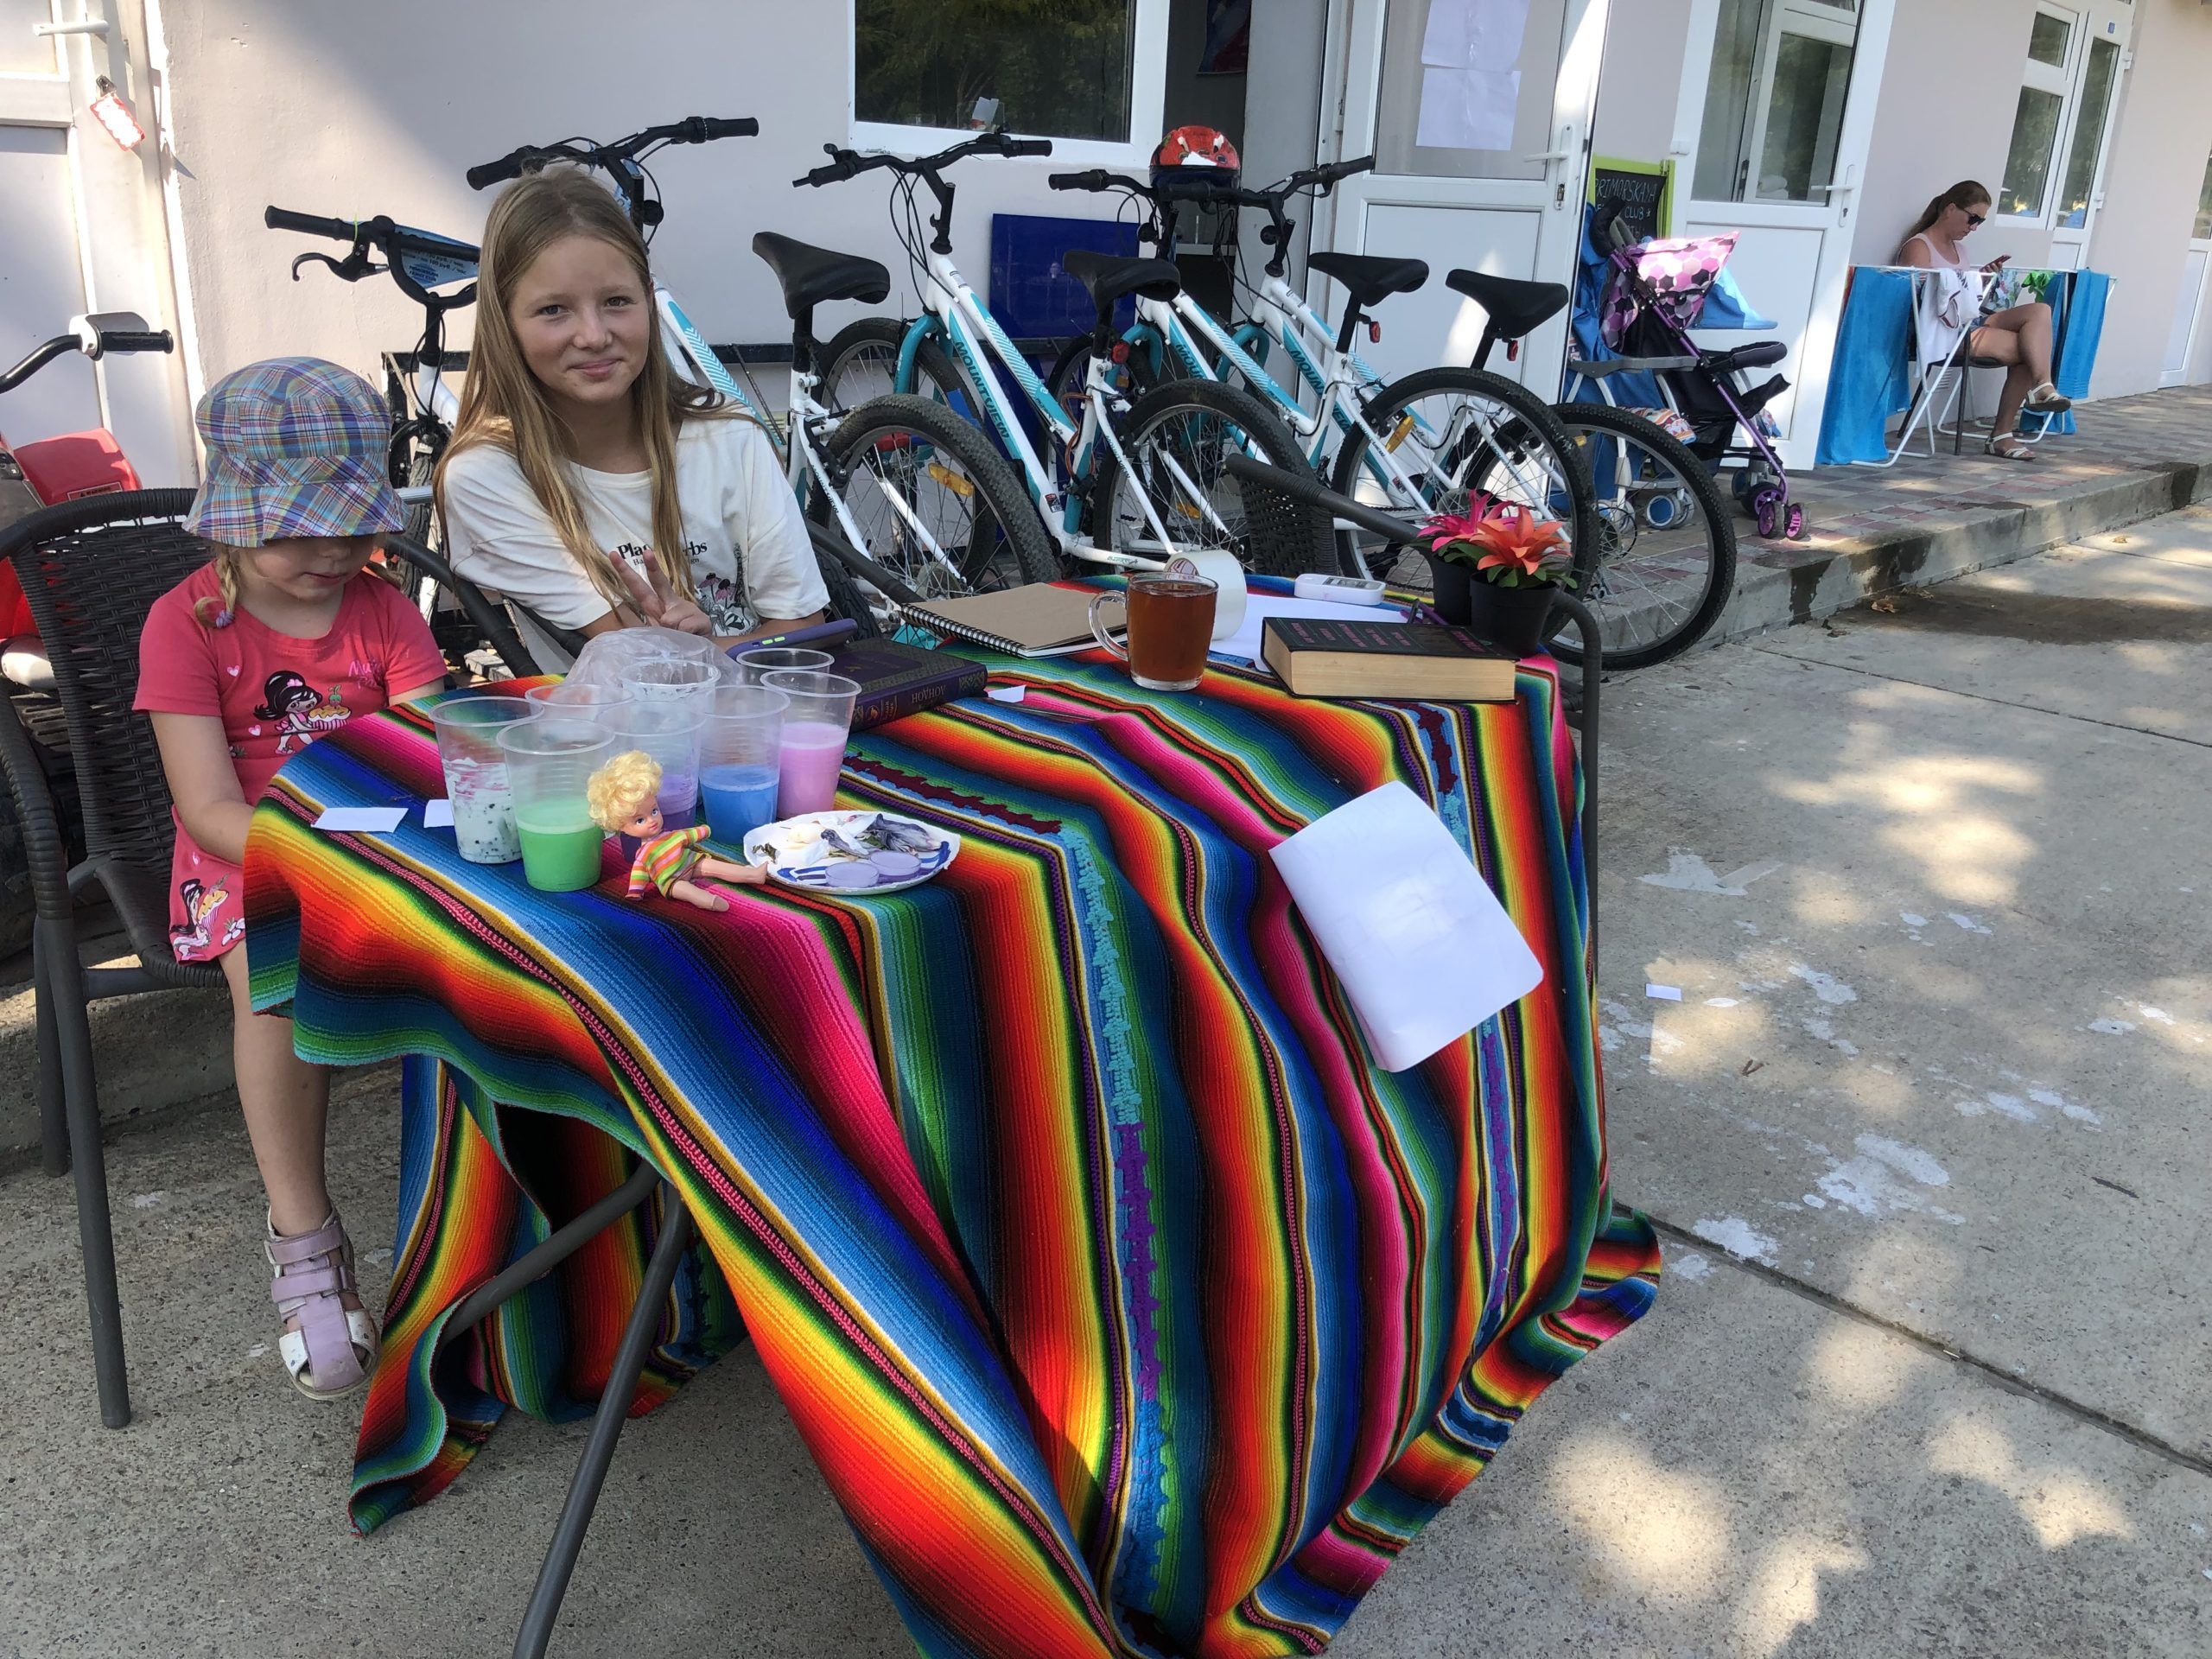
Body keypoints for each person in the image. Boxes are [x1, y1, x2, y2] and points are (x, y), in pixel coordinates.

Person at [136, 358, 449, 1398]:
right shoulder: (187, 622)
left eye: (350, 527)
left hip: (384, 840)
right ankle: (303, 1232)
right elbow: (205, 807)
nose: (329, 552)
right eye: (296, 529)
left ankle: (484, 1217)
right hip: (244, 859)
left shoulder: (383, 610)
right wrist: (322, 853)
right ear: (232, 521)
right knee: (272, 989)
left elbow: (431, 748)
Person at [435, 168, 827, 667]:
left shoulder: (730, 437)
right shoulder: (488, 476)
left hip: (754, 712)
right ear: (504, 322)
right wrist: (708, 653)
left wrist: (702, 651)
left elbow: (804, 630)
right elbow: (642, 662)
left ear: (648, 298)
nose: (594, 335)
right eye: (554, 310)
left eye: (617, 301)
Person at [1898, 180, 2071, 461]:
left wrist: (1981, 281)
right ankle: (2003, 434)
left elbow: (1964, 298)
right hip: (1938, 332)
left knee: (2040, 311)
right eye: (1973, 218)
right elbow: (1919, 305)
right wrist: (1964, 287)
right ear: (1951, 209)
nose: (1974, 227)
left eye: (1980, 221)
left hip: (1967, 322)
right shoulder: (1919, 247)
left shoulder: (1960, 250)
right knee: (2029, 349)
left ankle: (2042, 386)